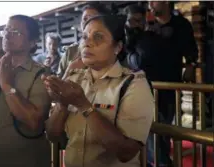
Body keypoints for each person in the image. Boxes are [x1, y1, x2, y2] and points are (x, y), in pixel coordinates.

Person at [43, 15, 154, 167]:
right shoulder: (74, 79)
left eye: (98, 37)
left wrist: (83, 105)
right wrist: (62, 104)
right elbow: (52, 135)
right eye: (84, 37)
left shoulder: (133, 84)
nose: (87, 43)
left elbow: (126, 152)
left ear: (117, 47)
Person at [0, 15, 51, 167]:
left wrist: (6, 85)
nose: (7, 34)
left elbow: (33, 122)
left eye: (16, 31)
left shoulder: (41, 74)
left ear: (32, 42)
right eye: (6, 29)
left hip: (26, 162)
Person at [146, 1, 198, 166]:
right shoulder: (146, 24)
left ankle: (160, 157)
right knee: (148, 123)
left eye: (154, 0)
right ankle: (160, 161)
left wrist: (190, 65)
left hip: (169, 84)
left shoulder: (181, 25)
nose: (150, 4)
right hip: (144, 84)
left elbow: (191, 50)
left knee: (164, 124)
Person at [57, 2, 112, 78]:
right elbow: (58, 81)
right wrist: (70, 70)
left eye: (92, 18)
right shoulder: (71, 51)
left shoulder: (109, 48)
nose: (87, 22)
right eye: (85, 18)